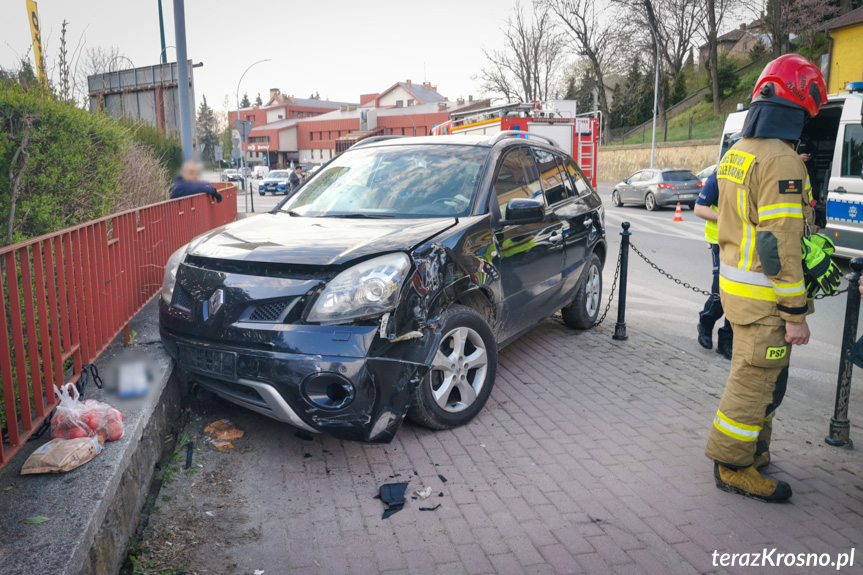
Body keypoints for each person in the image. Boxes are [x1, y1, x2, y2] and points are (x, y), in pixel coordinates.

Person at [705, 54, 830, 503]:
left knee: (760, 375)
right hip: (766, 300)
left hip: (739, 292)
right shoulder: (782, 162)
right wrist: (795, 313)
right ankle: (733, 465)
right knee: (754, 379)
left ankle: (753, 450)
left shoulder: (738, 153)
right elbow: (779, 247)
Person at [694, 171, 734, 360]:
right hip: (720, 241)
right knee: (720, 293)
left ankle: (727, 342)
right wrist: (726, 219)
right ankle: (706, 322)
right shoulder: (720, 175)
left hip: (746, 243)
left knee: (737, 295)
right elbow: (699, 208)